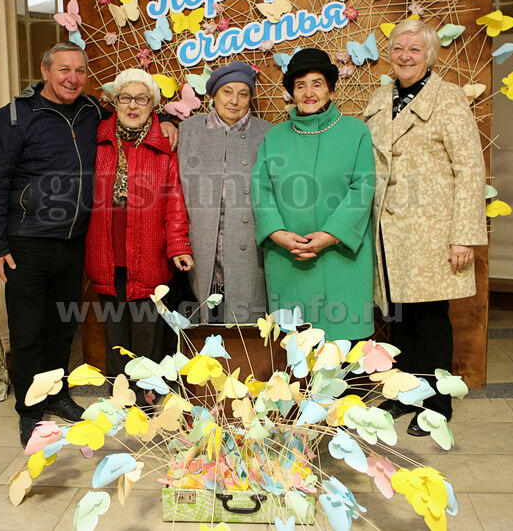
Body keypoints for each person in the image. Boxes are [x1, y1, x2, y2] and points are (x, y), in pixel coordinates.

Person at [0, 42, 177, 446]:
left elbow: (134, 112)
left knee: (61, 327)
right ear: (45, 71)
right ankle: (31, 410)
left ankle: (57, 395)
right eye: (64, 69)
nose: (72, 78)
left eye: (80, 71)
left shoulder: (90, 112)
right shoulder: (14, 117)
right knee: (29, 330)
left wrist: (169, 120)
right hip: (27, 240)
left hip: (74, 242)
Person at [361, 19, 487, 437]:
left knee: (430, 318)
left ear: (429, 55)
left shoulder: (448, 98)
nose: (405, 56)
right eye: (399, 48)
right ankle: (405, 392)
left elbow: (470, 169)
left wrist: (463, 236)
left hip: (432, 230)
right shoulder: (379, 99)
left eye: (415, 49)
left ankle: (436, 404)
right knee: (399, 318)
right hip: (387, 230)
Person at [252, 48, 376, 341]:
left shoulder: (356, 131)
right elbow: (261, 190)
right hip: (288, 258)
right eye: (300, 85)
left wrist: (331, 235)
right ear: (292, 93)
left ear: (331, 90)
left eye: (317, 84)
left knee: (345, 349)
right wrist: (277, 233)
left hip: (342, 259)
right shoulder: (274, 137)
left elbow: (363, 188)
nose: (309, 93)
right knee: (296, 346)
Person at [84, 68, 193, 381]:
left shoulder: (163, 147)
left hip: (149, 254)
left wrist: (179, 246)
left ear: (152, 105)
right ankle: (119, 393)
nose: (132, 105)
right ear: (115, 102)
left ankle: (148, 391)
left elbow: (174, 202)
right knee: (114, 330)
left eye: (141, 99)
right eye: (125, 98)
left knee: (148, 329)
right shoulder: (98, 140)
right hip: (106, 253)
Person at [177, 61, 272, 324]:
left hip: (248, 249)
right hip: (200, 247)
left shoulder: (267, 133)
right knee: (205, 326)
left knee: (245, 328)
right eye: (227, 92)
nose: (234, 100)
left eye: (243, 94)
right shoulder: (188, 131)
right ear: (214, 95)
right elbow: (173, 191)